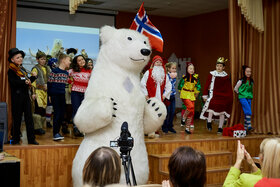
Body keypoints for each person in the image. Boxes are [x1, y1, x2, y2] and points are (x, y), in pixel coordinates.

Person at [7, 48, 39, 145]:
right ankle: (16, 139)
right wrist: (24, 82)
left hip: (25, 97)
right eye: (18, 57)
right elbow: (13, 82)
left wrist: (33, 77)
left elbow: (27, 81)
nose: (20, 59)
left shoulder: (22, 69)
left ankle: (31, 139)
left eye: (21, 57)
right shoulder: (11, 70)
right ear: (12, 60)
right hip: (17, 97)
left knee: (29, 118)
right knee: (17, 118)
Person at [141, 55, 172, 138]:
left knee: (158, 114)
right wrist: (146, 94)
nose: (158, 64)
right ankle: (148, 130)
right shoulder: (149, 72)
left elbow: (169, 86)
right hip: (150, 98)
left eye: (160, 62)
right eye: (157, 62)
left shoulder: (164, 75)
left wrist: (165, 95)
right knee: (149, 114)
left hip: (159, 99)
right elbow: (142, 84)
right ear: (154, 63)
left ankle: (155, 130)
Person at [200, 57, 233, 134]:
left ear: (224, 67)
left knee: (222, 112)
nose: (218, 67)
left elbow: (228, 87)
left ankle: (220, 128)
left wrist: (229, 97)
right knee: (211, 107)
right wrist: (205, 95)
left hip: (222, 97)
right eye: (217, 66)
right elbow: (207, 85)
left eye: (220, 66)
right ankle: (209, 122)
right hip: (214, 95)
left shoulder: (225, 76)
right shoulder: (212, 74)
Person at [47, 53, 71, 141]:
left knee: (61, 114)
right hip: (54, 95)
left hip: (62, 95)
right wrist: (49, 95)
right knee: (57, 114)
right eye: (69, 60)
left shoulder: (66, 72)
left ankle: (57, 132)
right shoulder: (54, 71)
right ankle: (55, 133)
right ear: (63, 60)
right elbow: (49, 84)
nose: (70, 62)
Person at [68, 55, 92, 137]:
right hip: (75, 93)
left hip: (85, 94)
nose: (82, 61)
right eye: (79, 60)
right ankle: (75, 128)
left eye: (82, 59)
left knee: (83, 111)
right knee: (76, 110)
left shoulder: (90, 70)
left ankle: (82, 129)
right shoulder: (72, 70)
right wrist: (70, 82)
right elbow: (65, 75)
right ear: (76, 63)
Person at [31, 50, 51, 135]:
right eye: (42, 59)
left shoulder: (47, 68)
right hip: (38, 92)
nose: (43, 61)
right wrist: (33, 92)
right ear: (37, 59)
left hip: (45, 93)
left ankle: (41, 127)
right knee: (38, 109)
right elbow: (33, 82)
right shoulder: (35, 68)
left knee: (43, 109)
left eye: (44, 59)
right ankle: (36, 128)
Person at [178, 63, 201, 134]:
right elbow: (180, 86)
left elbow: (198, 86)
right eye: (190, 68)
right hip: (185, 94)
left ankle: (187, 128)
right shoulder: (184, 78)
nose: (192, 70)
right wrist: (181, 93)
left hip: (191, 95)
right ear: (187, 69)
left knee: (191, 112)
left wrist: (196, 93)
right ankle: (184, 117)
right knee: (190, 107)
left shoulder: (196, 78)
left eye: (193, 69)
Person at [234, 65, 254, 131]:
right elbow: (235, 88)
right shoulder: (241, 81)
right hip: (242, 97)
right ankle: (249, 126)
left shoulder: (251, 81)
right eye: (247, 71)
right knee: (248, 111)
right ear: (244, 72)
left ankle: (245, 129)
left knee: (246, 113)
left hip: (249, 98)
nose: (249, 73)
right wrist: (240, 94)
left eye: (250, 72)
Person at [162, 62, 177, 134]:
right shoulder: (166, 76)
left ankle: (170, 126)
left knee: (172, 112)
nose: (174, 70)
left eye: (175, 68)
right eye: (172, 68)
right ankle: (164, 127)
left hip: (173, 96)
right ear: (168, 69)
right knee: (167, 112)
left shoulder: (174, 76)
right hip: (167, 97)